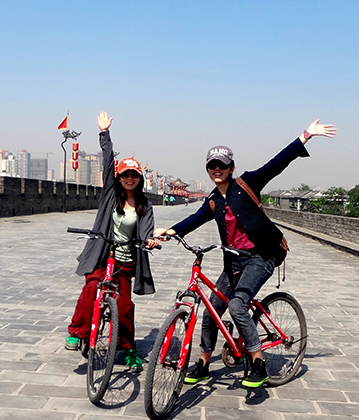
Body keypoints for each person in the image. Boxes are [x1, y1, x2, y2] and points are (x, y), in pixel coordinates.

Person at [154, 119, 336, 387]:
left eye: (222, 165)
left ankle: (258, 362)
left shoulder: (247, 182)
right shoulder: (213, 201)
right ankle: (204, 362)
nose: (217, 169)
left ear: (231, 167)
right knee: (212, 310)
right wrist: (169, 231)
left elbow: (277, 163)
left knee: (237, 305)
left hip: (262, 255)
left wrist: (306, 136)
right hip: (234, 261)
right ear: (207, 169)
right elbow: (193, 220)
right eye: (212, 165)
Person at [66, 111, 158, 373]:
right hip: (102, 254)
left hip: (127, 261)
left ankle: (128, 349)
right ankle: (77, 332)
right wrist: (104, 134)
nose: (130, 178)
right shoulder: (110, 195)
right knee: (92, 287)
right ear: (119, 177)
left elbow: (148, 230)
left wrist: (150, 241)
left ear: (140, 179)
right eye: (125, 174)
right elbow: (108, 162)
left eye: (135, 174)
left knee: (125, 306)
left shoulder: (143, 205)